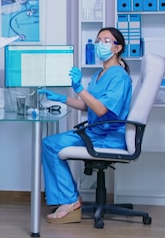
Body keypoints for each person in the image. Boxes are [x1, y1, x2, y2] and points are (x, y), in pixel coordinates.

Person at [38, 27, 131, 224]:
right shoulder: (100, 73)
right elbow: (86, 105)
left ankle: (70, 201)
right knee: (49, 143)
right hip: (95, 132)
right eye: (98, 40)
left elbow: (101, 110)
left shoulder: (118, 76)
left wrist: (79, 88)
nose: (100, 44)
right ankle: (70, 198)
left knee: (51, 145)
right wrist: (61, 97)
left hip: (107, 137)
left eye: (106, 41)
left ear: (117, 48)